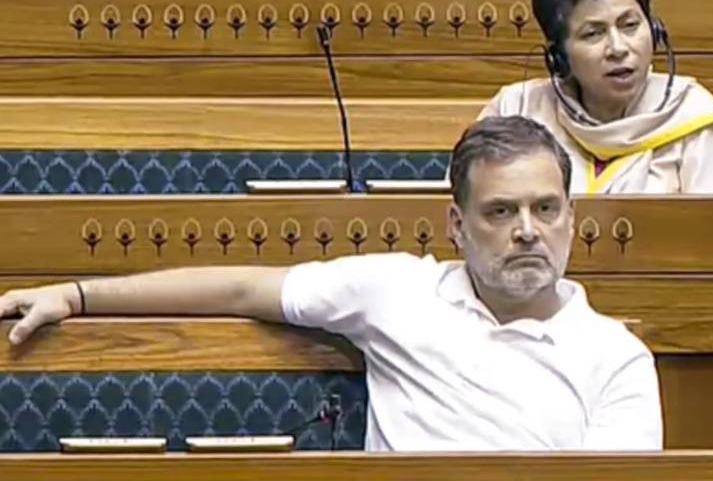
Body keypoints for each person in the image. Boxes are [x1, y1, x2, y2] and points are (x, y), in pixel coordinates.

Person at [0, 115, 663, 452]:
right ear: (457, 226)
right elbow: (238, 289)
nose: (526, 231)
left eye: (545, 209)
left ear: (571, 218)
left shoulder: (617, 358)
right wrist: (77, 295)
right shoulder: (397, 292)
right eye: (500, 212)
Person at [481, 0, 713, 194]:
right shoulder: (517, 109)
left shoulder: (693, 118)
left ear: (654, 31)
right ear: (559, 57)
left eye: (630, 25)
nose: (618, 48)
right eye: (593, 34)